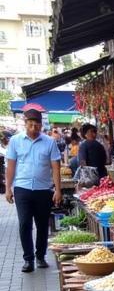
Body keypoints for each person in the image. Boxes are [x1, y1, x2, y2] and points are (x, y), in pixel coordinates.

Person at [4, 108, 61, 272]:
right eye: (30, 125)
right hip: (22, 189)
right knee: (24, 224)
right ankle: (28, 259)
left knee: (42, 224)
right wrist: (8, 188)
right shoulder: (15, 141)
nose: (33, 128)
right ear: (25, 124)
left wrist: (58, 190)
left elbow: (55, 167)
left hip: (43, 189)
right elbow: (11, 166)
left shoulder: (50, 142)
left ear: (41, 125)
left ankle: (41, 256)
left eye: (37, 125)